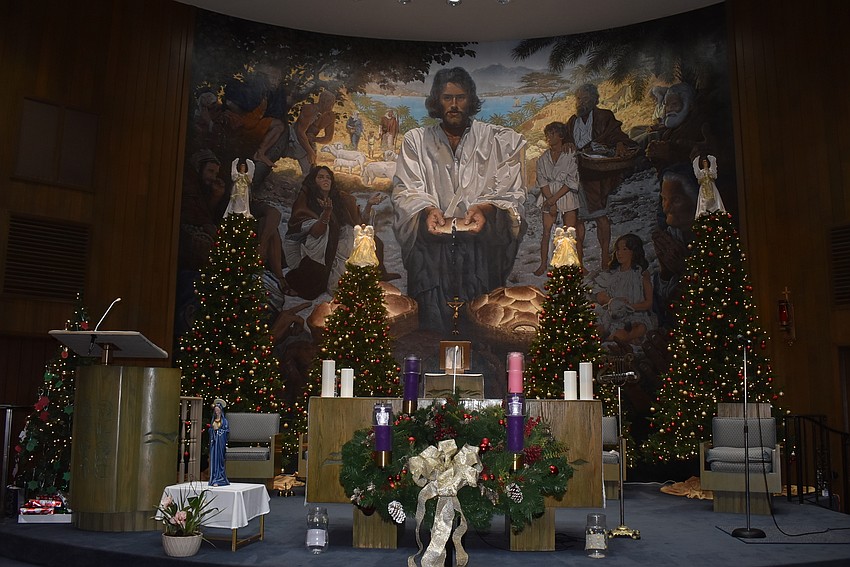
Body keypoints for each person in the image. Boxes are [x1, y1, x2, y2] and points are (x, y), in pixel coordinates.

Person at [392, 67, 527, 331]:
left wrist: (485, 209)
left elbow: (513, 192)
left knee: (480, 320)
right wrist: (427, 210)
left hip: (479, 251)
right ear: (436, 101)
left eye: (461, 97)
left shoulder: (497, 140)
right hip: (431, 254)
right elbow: (405, 190)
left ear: (471, 100)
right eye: (447, 98)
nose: (454, 105)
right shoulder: (416, 141)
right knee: (433, 326)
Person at [564, 83, 638, 270]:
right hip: (577, 175)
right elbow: (566, 140)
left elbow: (617, 135)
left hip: (596, 175)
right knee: (579, 219)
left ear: (595, 100)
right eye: (579, 99)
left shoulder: (604, 116)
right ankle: (580, 262)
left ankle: (605, 259)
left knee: (600, 216)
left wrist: (620, 144)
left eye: (586, 98)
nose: (582, 102)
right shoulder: (573, 121)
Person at [283, 166, 386, 299]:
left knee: (374, 243)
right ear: (313, 181)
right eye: (320, 177)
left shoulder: (340, 199)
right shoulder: (308, 203)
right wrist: (326, 213)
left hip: (345, 239)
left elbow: (359, 222)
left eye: (328, 177)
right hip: (325, 246)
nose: (325, 180)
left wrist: (369, 205)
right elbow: (316, 232)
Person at [651, 165, 700, 328]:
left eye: (676, 200)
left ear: (695, 201)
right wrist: (665, 271)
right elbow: (663, 303)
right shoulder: (671, 236)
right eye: (664, 199)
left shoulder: (708, 238)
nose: (666, 207)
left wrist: (683, 269)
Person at [534, 121, 580, 275]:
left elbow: (571, 180)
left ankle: (570, 265)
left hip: (565, 194)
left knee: (569, 232)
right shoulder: (542, 159)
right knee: (546, 231)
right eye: (547, 134)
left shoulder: (570, 154)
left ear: (560, 136)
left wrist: (554, 199)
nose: (549, 137)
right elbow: (542, 181)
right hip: (548, 196)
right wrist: (550, 200)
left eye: (552, 134)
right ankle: (543, 264)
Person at [594, 233, 655, 346]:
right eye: (618, 250)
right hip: (612, 315)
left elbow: (648, 302)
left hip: (635, 316)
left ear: (634, 251)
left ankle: (622, 338)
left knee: (635, 329)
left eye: (624, 249)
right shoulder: (612, 274)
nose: (619, 253)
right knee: (598, 327)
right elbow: (601, 295)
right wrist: (613, 303)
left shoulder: (641, 274)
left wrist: (628, 307)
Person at [645, 82, 713, 176]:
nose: (669, 109)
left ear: (688, 106)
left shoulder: (698, 128)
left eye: (674, 104)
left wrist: (668, 153)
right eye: (667, 105)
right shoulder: (668, 132)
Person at [283, 91, 337, 175]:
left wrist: (315, 139)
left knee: (310, 171)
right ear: (322, 101)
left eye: (332, 103)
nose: (331, 106)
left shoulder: (330, 116)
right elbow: (300, 132)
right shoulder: (309, 109)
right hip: (294, 136)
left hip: (308, 141)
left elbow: (328, 138)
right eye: (328, 102)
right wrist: (310, 151)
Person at [208, 398, 230, 487]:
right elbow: (210, 430)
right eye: (215, 410)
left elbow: (226, 431)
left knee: (220, 459)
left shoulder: (224, 421)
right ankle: (214, 478)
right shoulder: (213, 420)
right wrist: (213, 431)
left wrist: (219, 432)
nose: (217, 412)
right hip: (214, 443)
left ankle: (220, 478)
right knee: (214, 460)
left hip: (220, 443)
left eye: (218, 410)